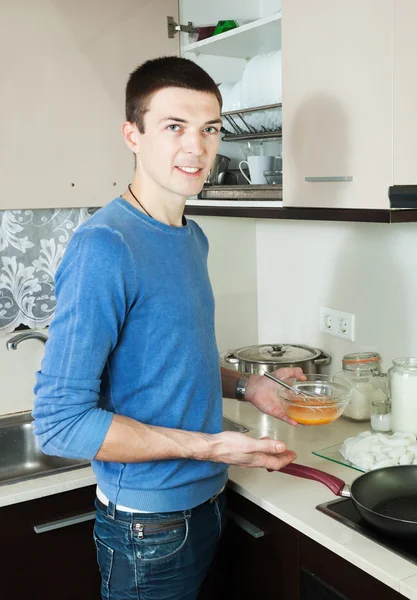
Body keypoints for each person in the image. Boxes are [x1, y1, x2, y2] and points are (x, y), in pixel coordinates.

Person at [32, 56, 301, 600]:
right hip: (148, 529)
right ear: (132, 135)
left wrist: (249, 386)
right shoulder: (107, 247)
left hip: (207, 505)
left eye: (210, 129)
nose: (196, 148)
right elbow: (60, 423)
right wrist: (209, 448)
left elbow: (175, 356)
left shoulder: (189, 235)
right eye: (174, 127)